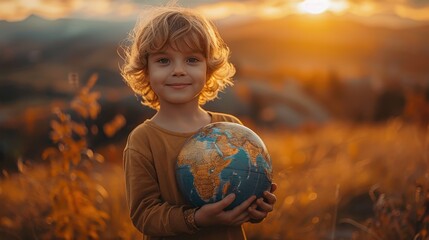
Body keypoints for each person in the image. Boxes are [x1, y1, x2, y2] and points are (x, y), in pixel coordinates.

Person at [120, 4, 277, 240]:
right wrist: (197, 219)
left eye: (192, 60)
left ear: (208, 69)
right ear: (146, 70)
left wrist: (256, 209)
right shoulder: (144, 140)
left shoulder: (231, 130)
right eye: (164, 61)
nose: (178, 71)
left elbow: (244, 195)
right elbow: (144, 215)